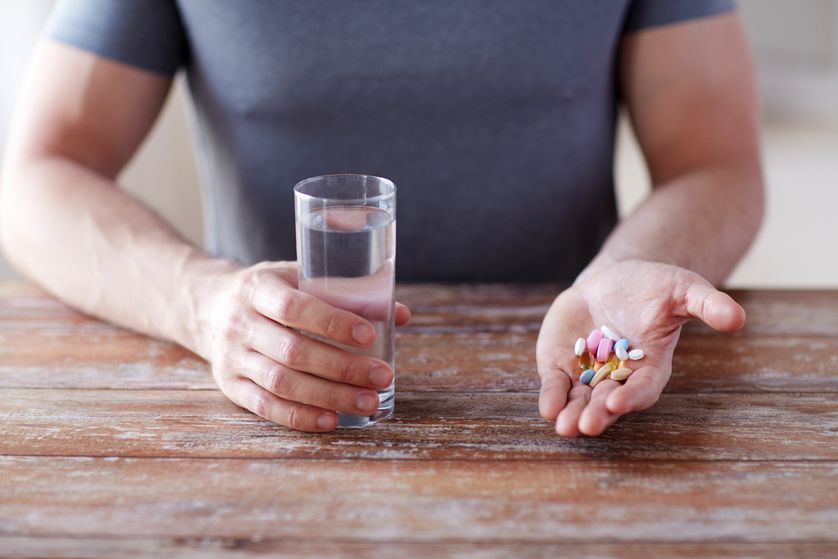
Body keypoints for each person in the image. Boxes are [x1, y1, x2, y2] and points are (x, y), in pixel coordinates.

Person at [0, 1, 762, 436]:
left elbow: (716, 162)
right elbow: (36, 174)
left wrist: (621, 278)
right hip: (268, 408)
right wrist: (198, 302)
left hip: (557, 399)